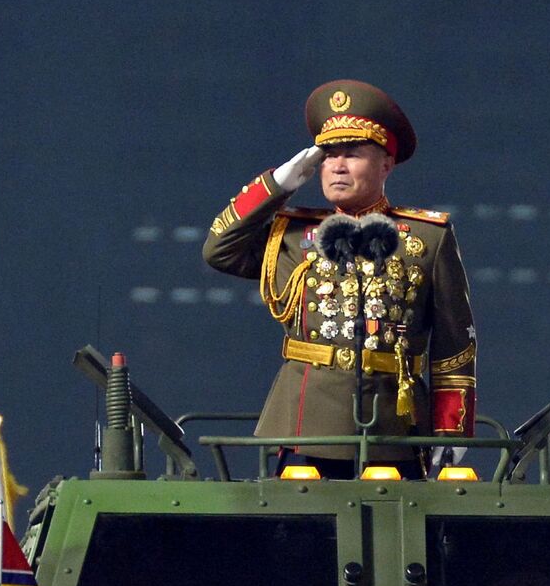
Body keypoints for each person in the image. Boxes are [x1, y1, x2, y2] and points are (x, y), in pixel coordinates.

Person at [202, 79, 477, 478]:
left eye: (352, 154)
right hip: (306, 423)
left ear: (386, 164)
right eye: (329, 156)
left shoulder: (426, 238)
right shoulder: (292, 235)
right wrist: (278, 184)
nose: (337, 166)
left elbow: (455, 345)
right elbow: (218, 249)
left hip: (394, 424)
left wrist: (452, 430)